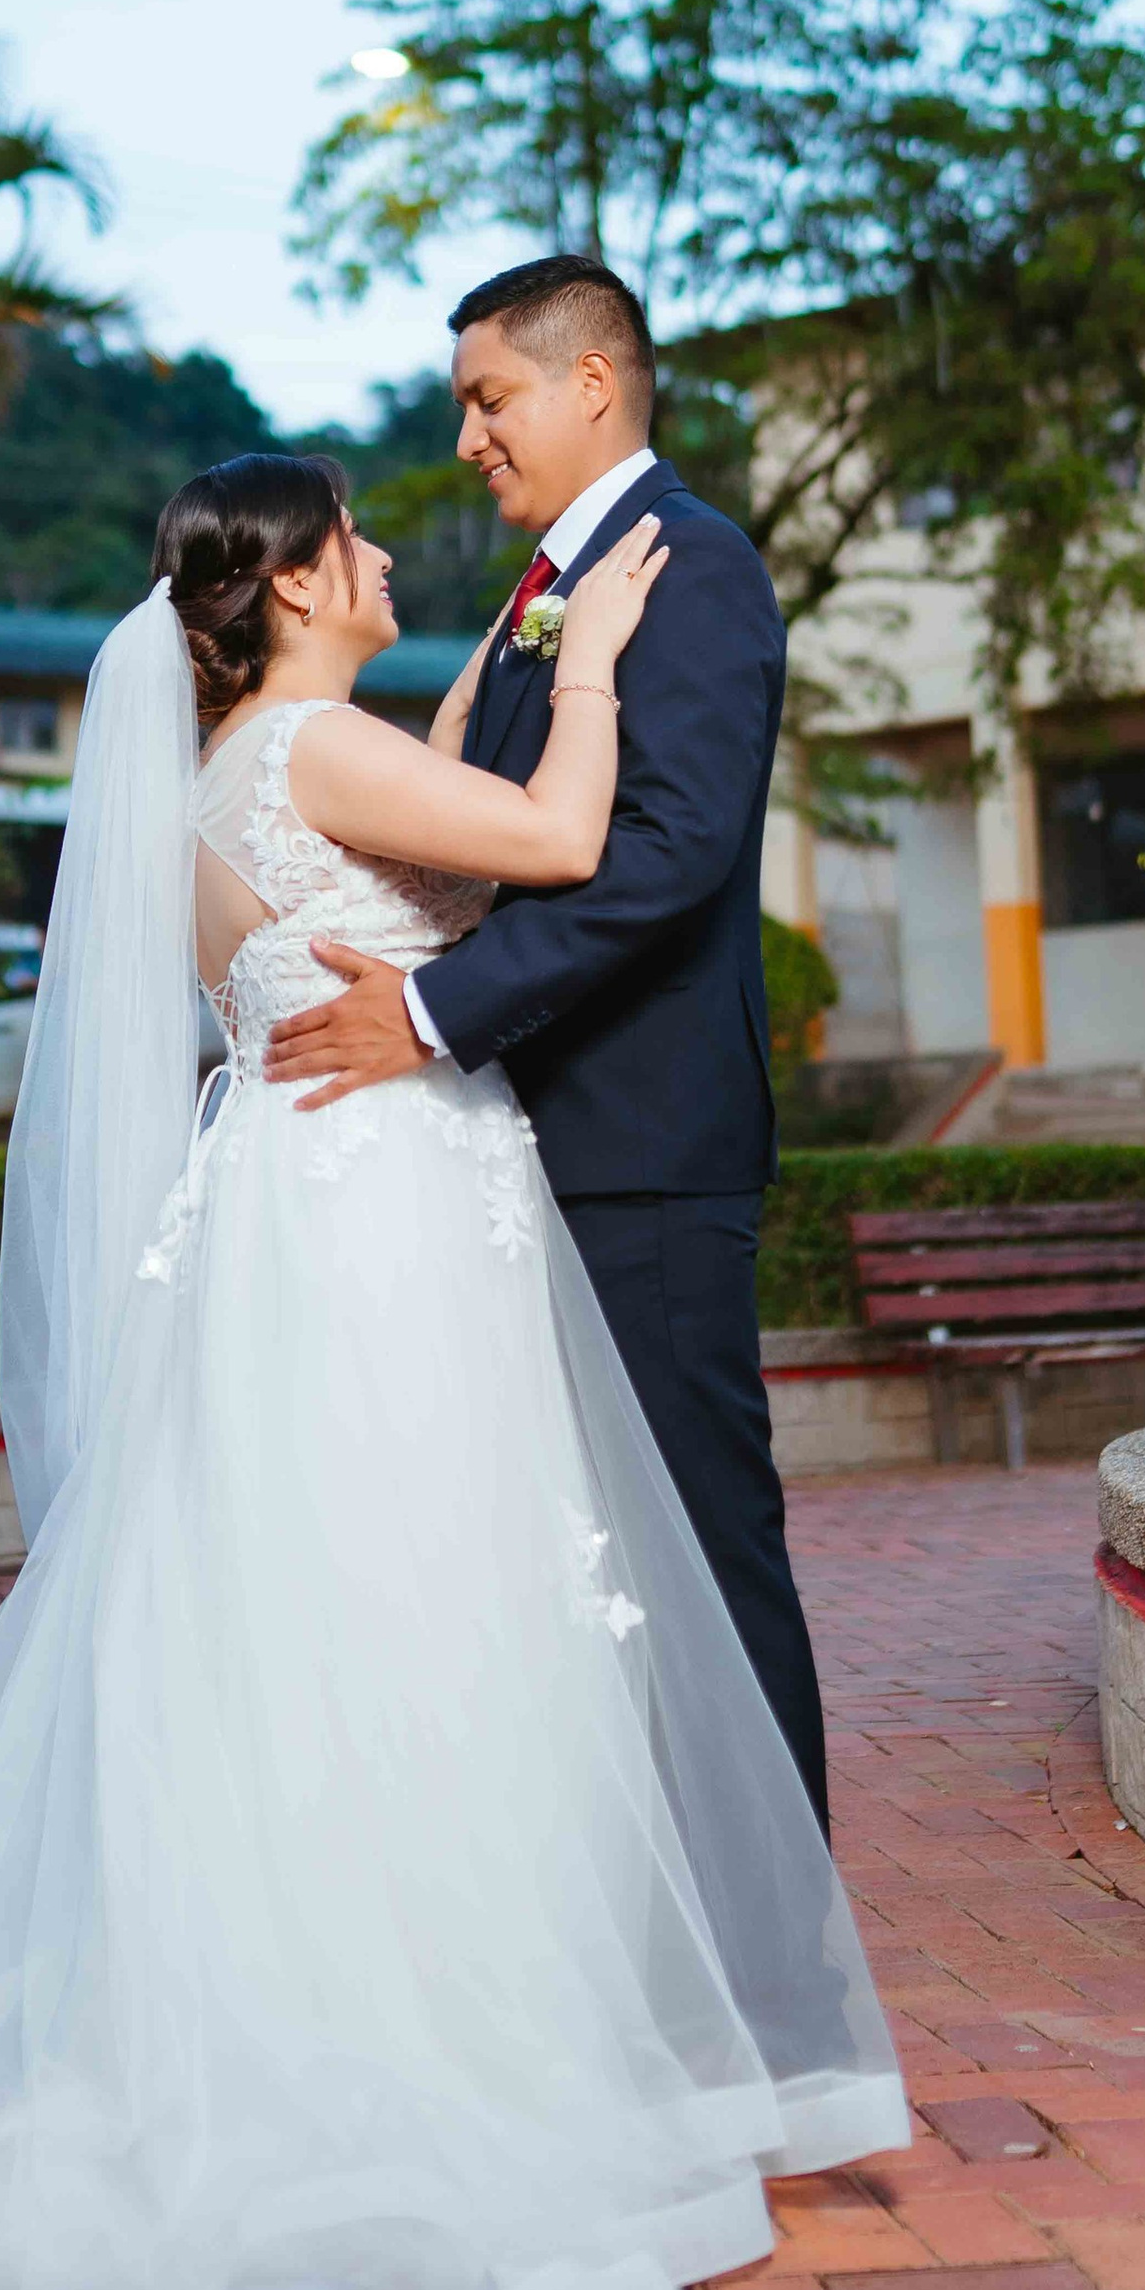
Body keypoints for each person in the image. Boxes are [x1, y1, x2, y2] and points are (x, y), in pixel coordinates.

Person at [0, 451, 903, 2290]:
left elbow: (411, 812)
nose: (381, 553)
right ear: (286, 586)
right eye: (351, 540)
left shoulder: (218, 784)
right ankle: (424, 2070)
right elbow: (554, 836)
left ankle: (303, 2030)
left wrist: (476, 680)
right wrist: (598, 653)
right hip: (384, 1216)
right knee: (424, 1610)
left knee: (303, 1615)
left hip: (290, 1205)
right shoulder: (317, 753)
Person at [266, 256, 830, 1828]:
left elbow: (668, 855)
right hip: (527, 1150)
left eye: (488, 398)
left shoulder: (691, 567)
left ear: (591, 382)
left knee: (698, 1549)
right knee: (584, 1566)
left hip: (641, 1149)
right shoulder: (544, 600)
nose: (467, 439)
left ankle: (766, 1927)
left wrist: (426, 1013)